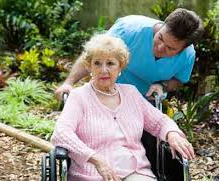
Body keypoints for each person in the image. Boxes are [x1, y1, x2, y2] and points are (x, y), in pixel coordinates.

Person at [51, 34, 195, 181]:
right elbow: (61, 133)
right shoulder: (79, 97)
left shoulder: (131, 93)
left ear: (120, 66)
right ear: (89, 66)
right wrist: (95, 158)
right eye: (97, 63)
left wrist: (172, 133)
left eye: (110, 63)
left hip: (135, 172)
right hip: (92, 174)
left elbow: (160, 121)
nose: (103, 70)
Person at [55, 8, 204, 101]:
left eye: (170, 48)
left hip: (143, 103)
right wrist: (69, 83)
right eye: (160, 38)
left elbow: (178, 79)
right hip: (105, 93)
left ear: (184, 48)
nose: (160, 47)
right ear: (163, 25)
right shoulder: (129, 29)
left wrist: (162, 85)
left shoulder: (188, 56)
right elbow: (94, 55)